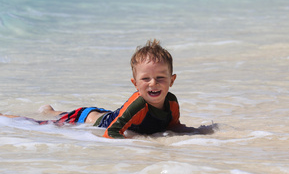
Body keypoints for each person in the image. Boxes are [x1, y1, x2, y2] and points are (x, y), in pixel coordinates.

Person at [1, 39, 199, 139]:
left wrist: (199, 132)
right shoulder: (138, 105)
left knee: (70, 115)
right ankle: (6, 117)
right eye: (145, 78)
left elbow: (173, 126)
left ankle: (51, 110)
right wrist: (143, 144)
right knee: (42, 124)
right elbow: (110, 133)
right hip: (92, 119)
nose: (153, 83)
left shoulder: (171, 102)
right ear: (135, 84)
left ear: (172, 80)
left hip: (106, 114)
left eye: (160, 78)